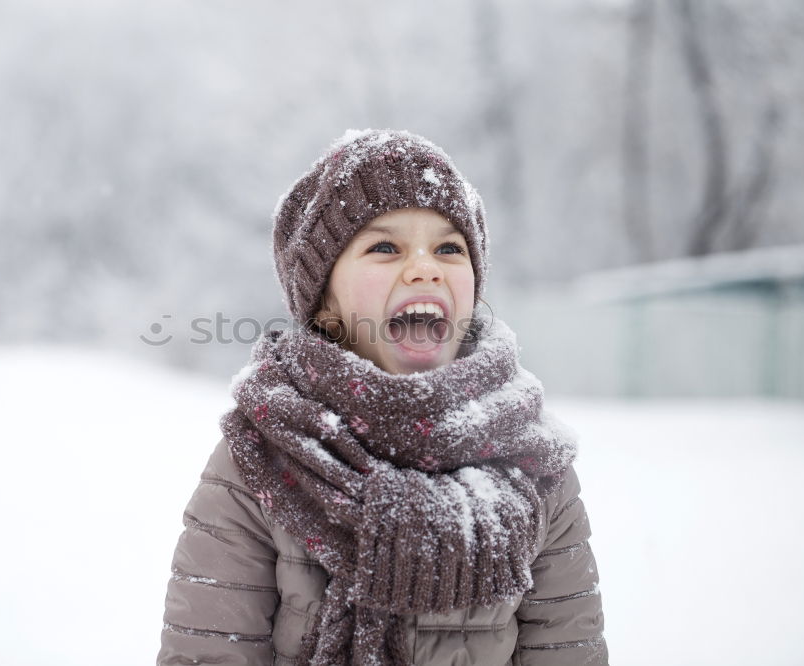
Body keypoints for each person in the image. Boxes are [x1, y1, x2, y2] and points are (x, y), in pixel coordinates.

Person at [158, 129, 607, 665]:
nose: (424, 267)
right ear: (324, 302)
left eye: (448, 247)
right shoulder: (262, 455)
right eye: (385, 247)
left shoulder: (533, 461)